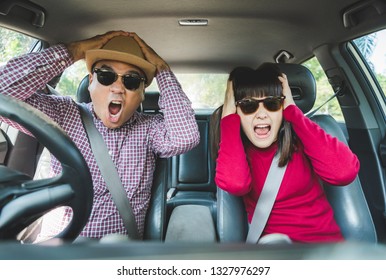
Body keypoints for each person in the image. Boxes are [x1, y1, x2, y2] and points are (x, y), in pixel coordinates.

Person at [0, 31, 200, 240]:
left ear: (142, 92)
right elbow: (2, 94)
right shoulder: (63, 113)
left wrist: (161, 69)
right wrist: (73, 51)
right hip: (62, 245)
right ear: (91, 81)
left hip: (116, 251)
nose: (118, 88)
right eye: (106, 76)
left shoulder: (150, 129)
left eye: (131, 81)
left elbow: (185, 137)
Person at [211, 63, 360, 243]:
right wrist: (228, 117)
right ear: (235, 110)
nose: (262, 114)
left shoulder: (305, 140)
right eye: (249, 105)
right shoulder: (234, 151)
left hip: (325, 250)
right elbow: (236, 184)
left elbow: (344, 173)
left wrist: (293, 111)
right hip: (277, 252)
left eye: (272, 103)